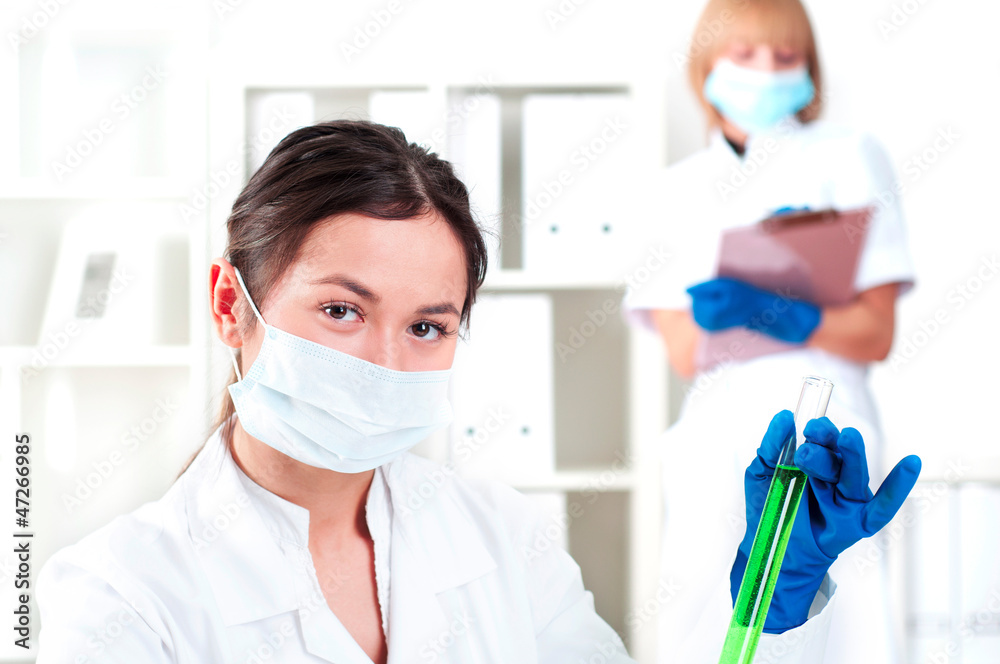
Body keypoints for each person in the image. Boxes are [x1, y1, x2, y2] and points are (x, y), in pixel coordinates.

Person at [36, 120, 917, 663]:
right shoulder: (121, 600)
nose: (384, 360)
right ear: (233, 305)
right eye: (343, 309)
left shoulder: (500, 538)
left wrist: (771, 609)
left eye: (428, 326)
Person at [623, 0, 916, 662]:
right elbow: (684, 351)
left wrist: (781, 310)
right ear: (704, 69)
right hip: (716, 434)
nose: (767, 72)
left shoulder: (848, 157)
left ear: (810, 71)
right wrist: (764, 306)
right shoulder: (671, 193)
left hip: (829, 426)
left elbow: (874, 334)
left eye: (788, 58)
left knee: (842, 623)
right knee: (706, 619)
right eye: (746, 55)